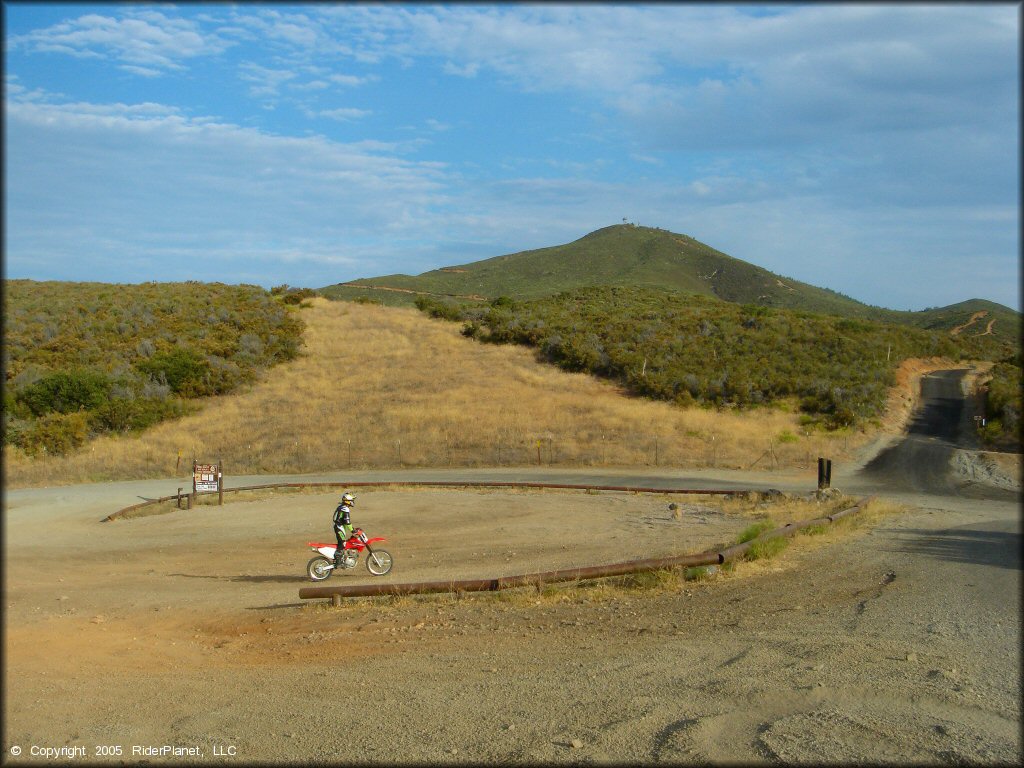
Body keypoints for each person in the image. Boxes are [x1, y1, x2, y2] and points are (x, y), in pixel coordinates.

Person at [332, 492, 356, 566]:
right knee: (342, 543)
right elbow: (347, 522)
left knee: (344, 542)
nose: (353, 502)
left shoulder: (342, 507)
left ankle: (342, 557)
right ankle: (338, 560)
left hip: (339, 527)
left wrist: (352, 529)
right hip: (339, 527)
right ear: (347, 501)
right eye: (352, 500)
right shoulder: (345, 509)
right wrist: (353, 530)